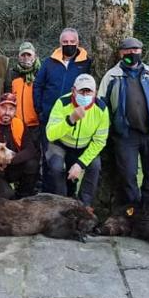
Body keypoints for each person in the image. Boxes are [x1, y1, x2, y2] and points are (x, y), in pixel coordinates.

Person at [99, 37, 149, 205]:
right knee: (128, 175)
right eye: (128, 50)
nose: (132, 53)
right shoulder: (112, 76)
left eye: (136, 50)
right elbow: (101, 105)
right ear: (121, 53)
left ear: (141, 51)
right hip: (125, 134)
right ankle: (134, 210)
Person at [43, 74, 109, 207]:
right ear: (73, 90)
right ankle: (61, 204)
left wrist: (80, 164)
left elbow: (100, 141)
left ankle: (85, 205)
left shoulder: (101, 109)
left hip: (85, 146)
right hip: (60, 144)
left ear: (95, 92)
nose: (85, 95)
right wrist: (70, 120)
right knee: (56, 167)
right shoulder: (62, 103)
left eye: (88, 91)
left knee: (95, 166)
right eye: (81, 91)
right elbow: (50, 134)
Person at [33, 28, 92, 124]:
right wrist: (40, 109)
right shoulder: (49, 62)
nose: (69, 44)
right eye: (65, 42)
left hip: (73, 117)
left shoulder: (86, 64)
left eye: (72, 41)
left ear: (77, 43)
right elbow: (38, 85)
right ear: (60, 44)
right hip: (48, 116)